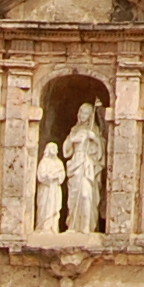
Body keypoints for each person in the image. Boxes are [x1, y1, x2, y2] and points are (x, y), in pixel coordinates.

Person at [62, 101, 106, 237]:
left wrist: (95, 139)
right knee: (74, 197)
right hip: (75, 163)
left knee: (86, 194)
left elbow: (101, 152)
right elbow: (66, 151)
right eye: (81, 112)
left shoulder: (94, 130)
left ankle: (87, 226)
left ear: (90, 115)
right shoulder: (74, 130)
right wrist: (73, 140)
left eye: (86, 113)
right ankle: (73, 225)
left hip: (87, 165)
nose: (82, 115)